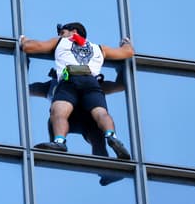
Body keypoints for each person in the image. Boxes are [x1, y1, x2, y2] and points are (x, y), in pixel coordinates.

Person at [20, 22, 134, 160]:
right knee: (101, 113)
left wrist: (24, 41)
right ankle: (112, 136)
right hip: (91, 81)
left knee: (58, 112)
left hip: (70, 79)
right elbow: (127, 53)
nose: (60, 35)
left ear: (73, 31)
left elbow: (29, 47)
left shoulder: (61, 41)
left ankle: (59, 142)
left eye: (62, 32)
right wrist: (126, 43)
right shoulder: (99, 48)